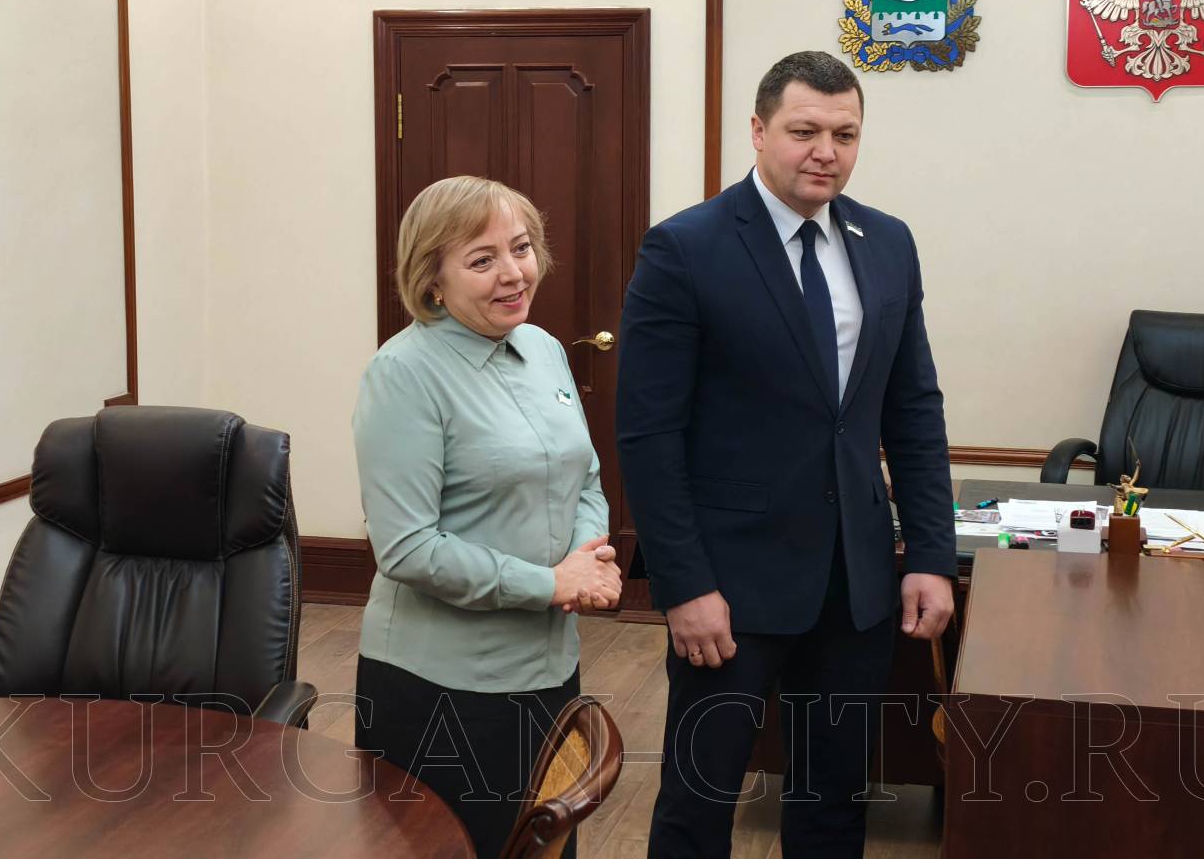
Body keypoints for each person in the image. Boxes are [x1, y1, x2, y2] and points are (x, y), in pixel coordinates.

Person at [616, 51, 956, 857]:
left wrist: (930, 555)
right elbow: (648, 435)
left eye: (845, 134)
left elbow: (913, 410)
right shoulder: (685, 248)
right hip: (729, 586)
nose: (825, 152)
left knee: (835, 804)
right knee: (699, 806)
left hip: (855, 583)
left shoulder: (888, 243)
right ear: (759, 130)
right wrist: (683, 585)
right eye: (804, 131)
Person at [352, 175, 622, 858]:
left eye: (521, 248)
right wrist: (551, 583)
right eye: (482, 259)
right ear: (432, 281)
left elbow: (585, 476)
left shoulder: (546, 350)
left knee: (542, 848)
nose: (513, 273)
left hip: (550, 666)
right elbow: (407, 548)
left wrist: (588, 560)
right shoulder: (403, 373)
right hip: (442, 686)